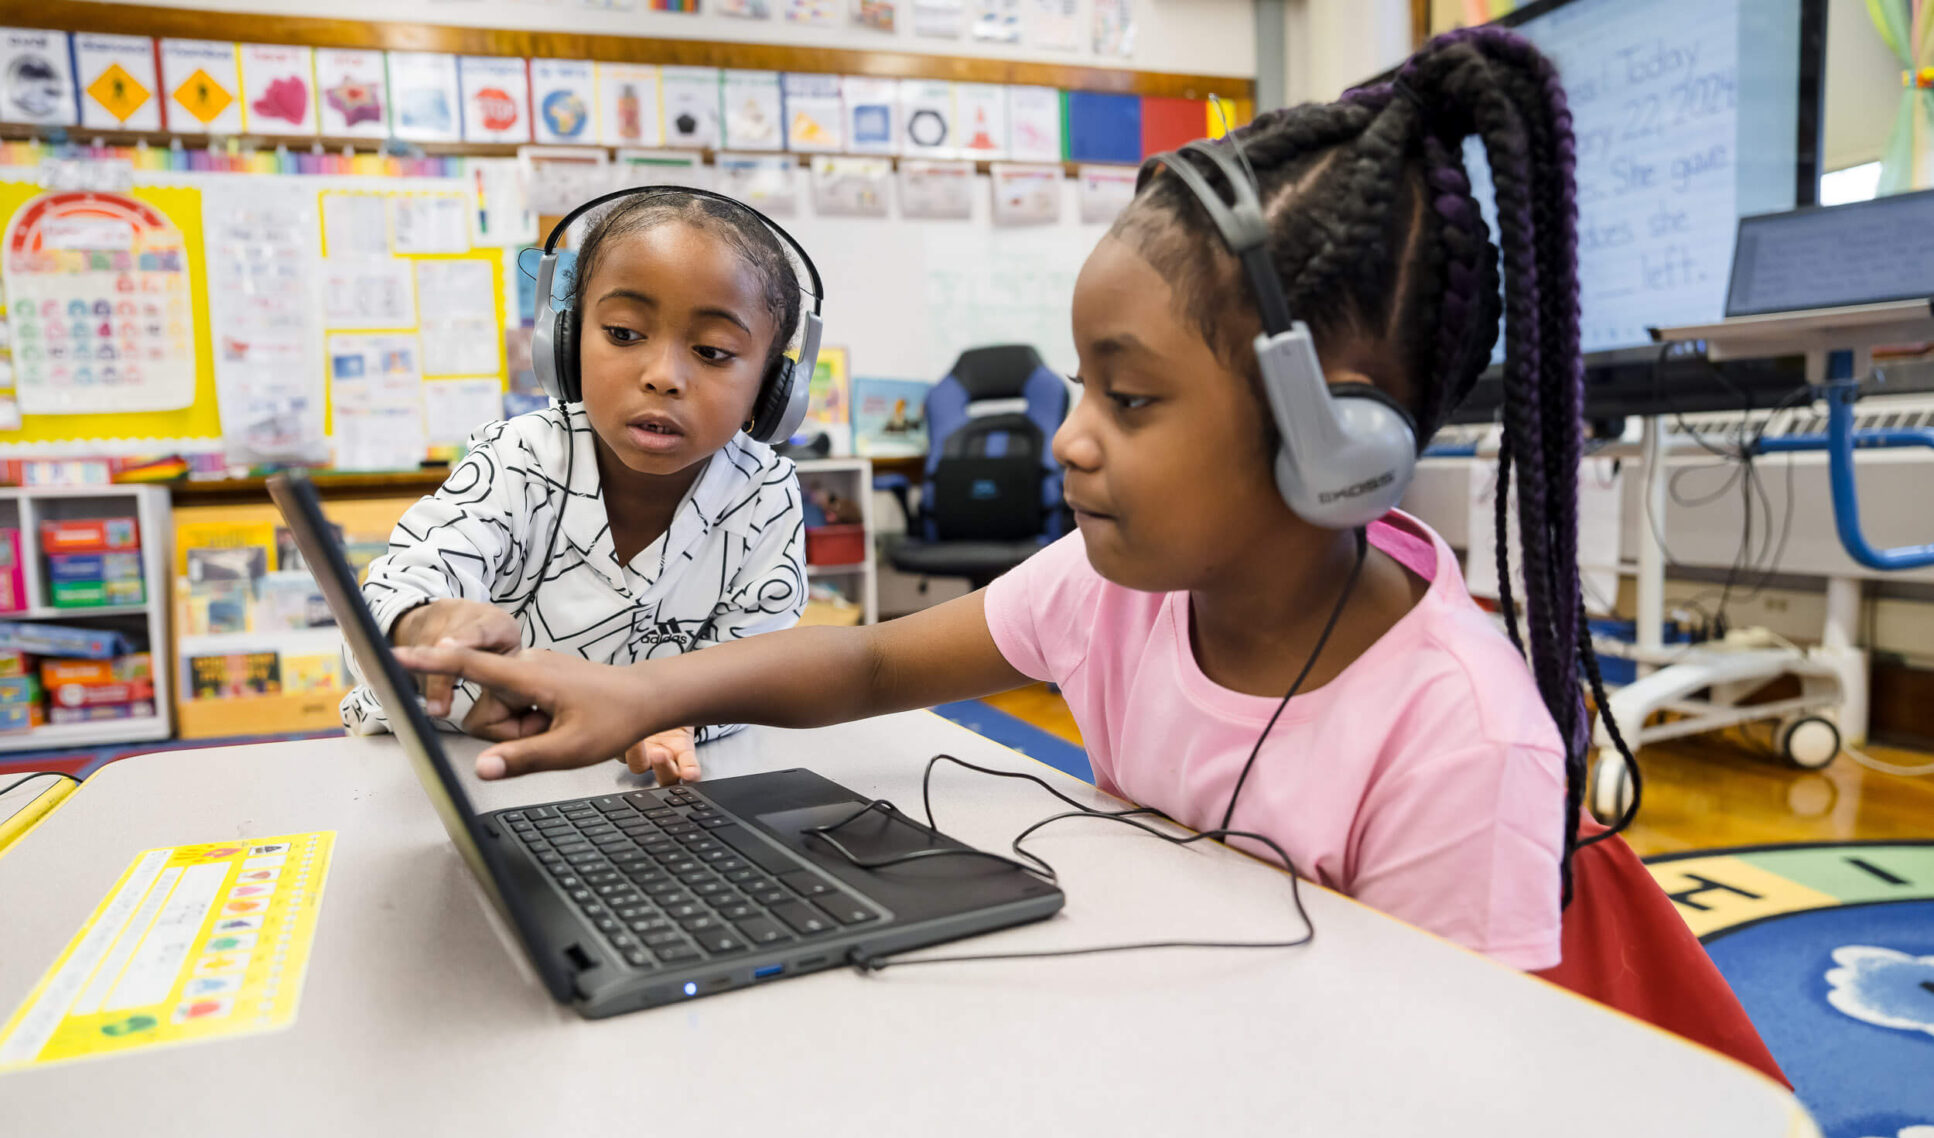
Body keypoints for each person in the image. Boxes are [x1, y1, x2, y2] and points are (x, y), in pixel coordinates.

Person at [398, 30, 1603, 969]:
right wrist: (630, 695)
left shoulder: (1457, 741)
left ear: (1337, 440)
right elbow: (868, 666)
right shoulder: (1107, 590)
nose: (1068, 441)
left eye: (1127, 401)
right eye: (1081, 386)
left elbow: (1443, 1106)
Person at [344, 189, 810, 786]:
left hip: (640, 792)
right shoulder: (522, 460)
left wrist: (679, 714)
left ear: (774, 388)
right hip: (458, 768)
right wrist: (426, 623)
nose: (663, 377)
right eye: (622, 333)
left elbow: (751, 668)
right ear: (563, 344)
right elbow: (405, 580)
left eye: (713, 351)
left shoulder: (764, 495)